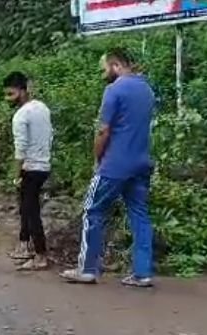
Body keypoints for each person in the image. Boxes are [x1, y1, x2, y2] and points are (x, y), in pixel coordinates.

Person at [61, 48, 157, 288]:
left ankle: (87, 270)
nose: (103, 73)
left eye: (105, 68)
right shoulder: (147, 89)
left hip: (114, 165)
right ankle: (142, 273)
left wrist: (97, 158)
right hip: (142, 163)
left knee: (92, 211)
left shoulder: (114, 90)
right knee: (140, 216)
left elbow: (103, 130)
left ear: (116, 65)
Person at [3, 71, 53, 271]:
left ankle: (40, 256)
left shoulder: (20, 115)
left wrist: (16, 175)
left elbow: (20, 149)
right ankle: (24, 246)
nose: (8, 99)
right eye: (6, 94)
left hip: (30, 168)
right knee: (26, 207)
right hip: (44, 166)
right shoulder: (43, 108)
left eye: (11, 94)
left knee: (31, 211)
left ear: (23, 91)